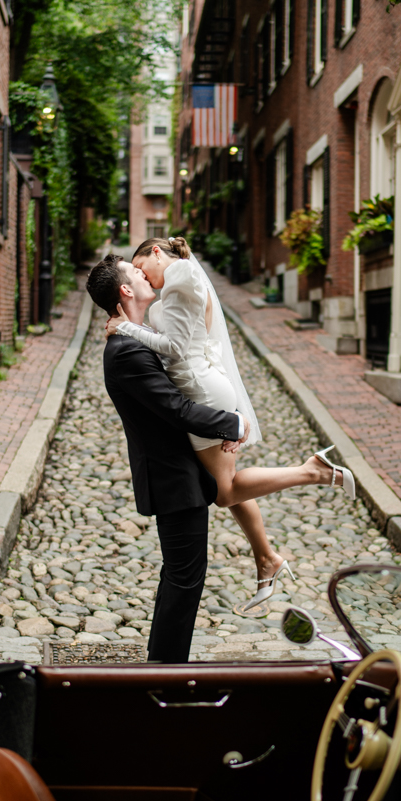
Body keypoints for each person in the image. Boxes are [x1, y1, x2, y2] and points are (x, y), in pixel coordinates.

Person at [104, 237, 355, 616]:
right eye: (136, 273)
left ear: (157, 252)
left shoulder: (181, 279)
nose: (143, 276)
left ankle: (312, 473)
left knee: (226, 491)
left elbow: (173, 348)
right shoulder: (183, 279)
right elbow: (207, 346)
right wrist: (230, 403)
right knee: (225, 487)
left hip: (202, 395)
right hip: (207, 386)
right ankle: (266, 558)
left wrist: (127, 329)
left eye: (142, 267)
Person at [87, 252, 248, 662]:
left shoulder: (135, 336)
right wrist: (231, 423)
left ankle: (161, 666)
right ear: (125, 290)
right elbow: (176, 408)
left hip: (180, 475)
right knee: (184, 579)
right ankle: (164, 672)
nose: (143, 274)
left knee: (181, 577)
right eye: (135, 273)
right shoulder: (125, 350)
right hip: (171, 478)